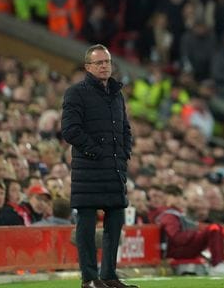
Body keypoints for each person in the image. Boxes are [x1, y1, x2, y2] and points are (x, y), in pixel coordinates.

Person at [61, 45, 136, 288]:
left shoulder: (117, 94)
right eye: (99, 62)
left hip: (114, 169)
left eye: (107, 61)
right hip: (89, 171)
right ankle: (90, 279)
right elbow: (70, 130)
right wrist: (98, 152)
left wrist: (124, 154)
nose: (104, 66)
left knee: (115, 223)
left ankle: (109, 276)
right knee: (86, 225)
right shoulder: (76, 93)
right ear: (88, 67)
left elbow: (124, 128)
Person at [157, 185, 224, 276]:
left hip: (180, 248)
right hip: (176, 251)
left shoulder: (177, 213)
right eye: (175, 196)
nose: (179, 200)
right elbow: (176, 238)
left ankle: (219, 263)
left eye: (180, 197)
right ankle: (217, 264)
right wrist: (195, 233)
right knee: (214, 228)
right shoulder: (169, 215)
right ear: (167, 198)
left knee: (215, 228)